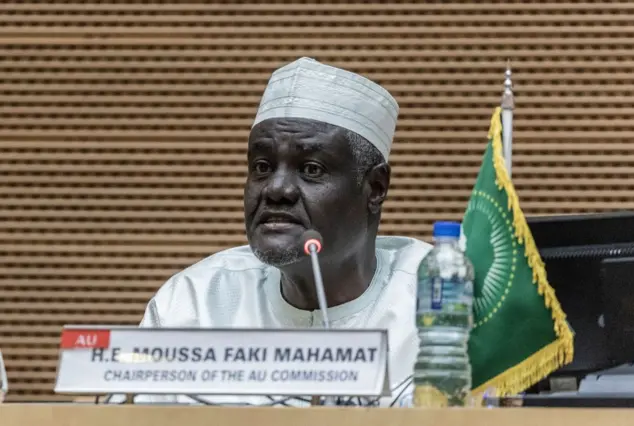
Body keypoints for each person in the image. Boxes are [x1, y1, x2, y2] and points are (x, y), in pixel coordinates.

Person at [123, 57, 432, 406]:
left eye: (311, 169)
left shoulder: (438, 303)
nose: (276, 189)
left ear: (375, 188)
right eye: (263, 167)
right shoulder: (195, 302)